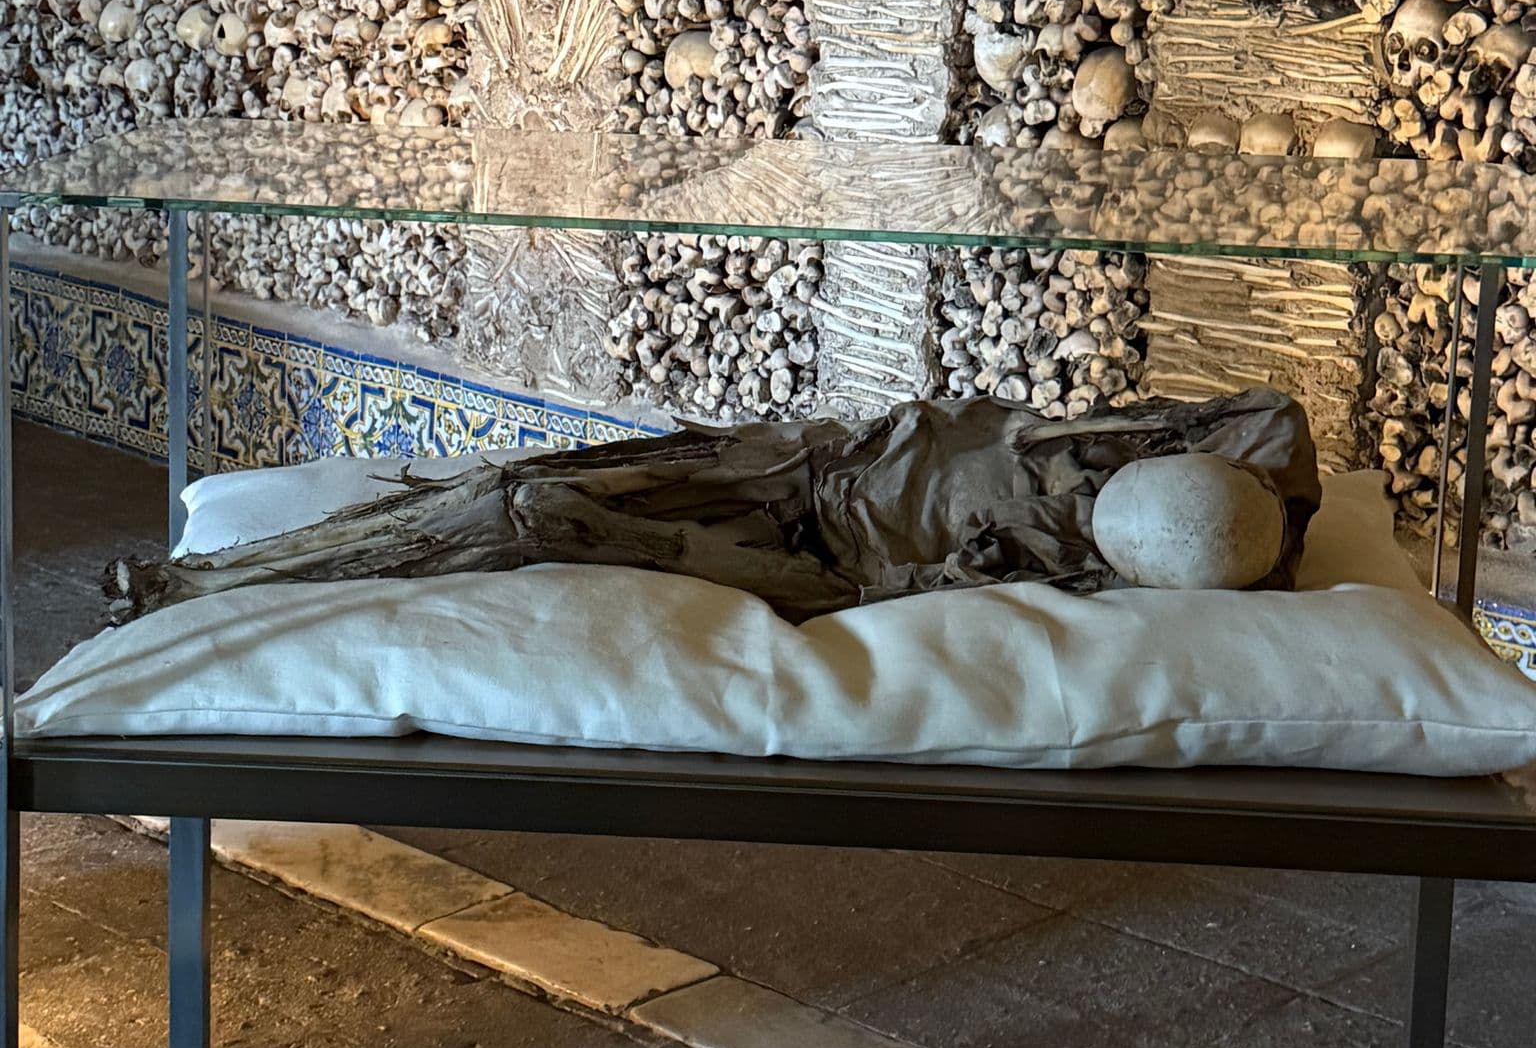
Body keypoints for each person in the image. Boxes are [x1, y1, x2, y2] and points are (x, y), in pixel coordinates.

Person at [114, 387, 1319, 626]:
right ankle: (231, 565)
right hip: (790, 459)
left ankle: (208, 584)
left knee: (523, 516)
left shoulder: (1069, 563)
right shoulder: (1168, 446)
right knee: (516, 485)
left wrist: (1226, 550)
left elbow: (903, 588)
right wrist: (1259, 506)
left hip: (813, 563)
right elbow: (1281, 419)